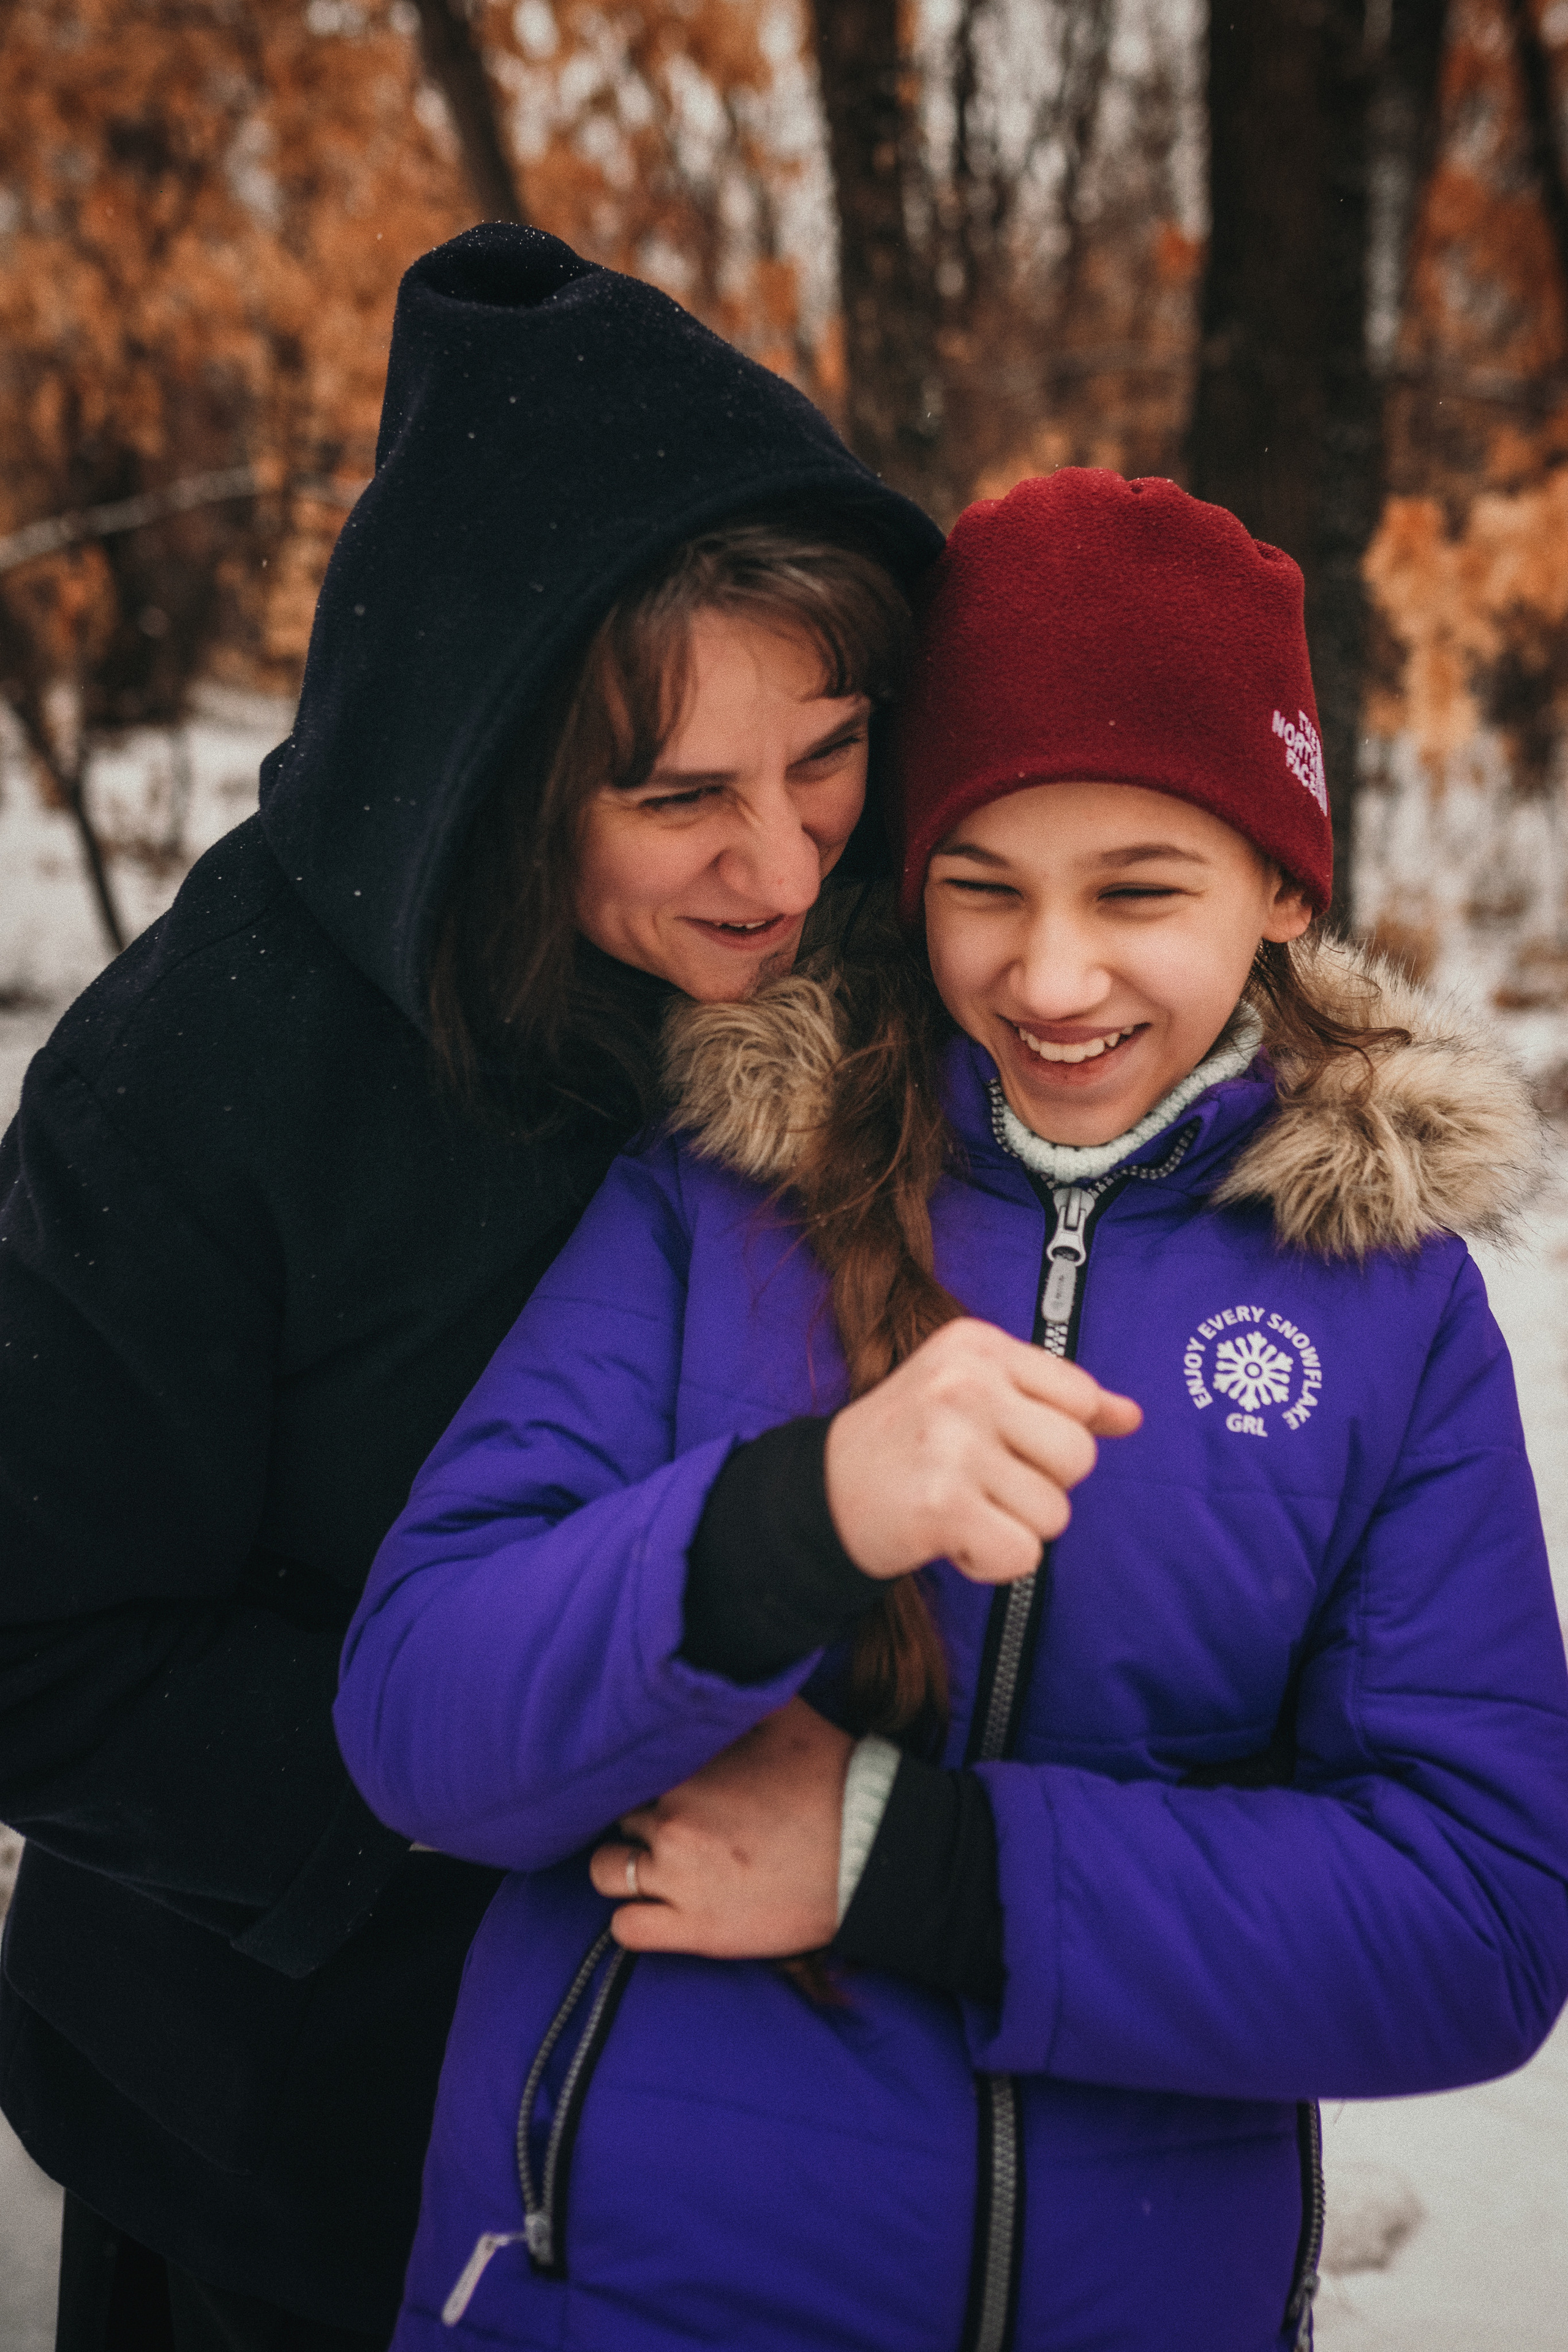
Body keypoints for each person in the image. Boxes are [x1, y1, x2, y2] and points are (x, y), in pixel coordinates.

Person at [335, 468, 1568, 2352]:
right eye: (981, 890)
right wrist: (796, 1520)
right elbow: (418, 1716)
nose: (1050, 977)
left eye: (1139, 892)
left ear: (1284, 886)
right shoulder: (719, 1186)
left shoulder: (1389, 1311)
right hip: (619, 2299)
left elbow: (1480, 1921)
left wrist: (908, 1864)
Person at [0, 222, 940, 2351]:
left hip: (722, 2159)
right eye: (680, 794)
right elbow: (32, 1640)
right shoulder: (203, 1081)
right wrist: (516, 1757)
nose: (782, 865)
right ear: (496, 764)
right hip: (282, 2131)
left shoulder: (865, 967)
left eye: (828, 758)